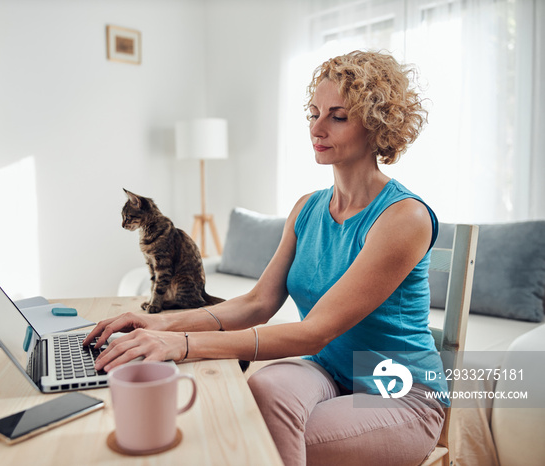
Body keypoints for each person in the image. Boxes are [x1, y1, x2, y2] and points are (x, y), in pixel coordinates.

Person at [84, 50, 447, 465]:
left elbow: (315, 331)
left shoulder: (404, 217)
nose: (317, 127)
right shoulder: (307, 208)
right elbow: (258, 303)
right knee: (262, 391)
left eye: (338, 116)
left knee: (245, 433)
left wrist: (180, 345)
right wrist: (156, 322)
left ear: (377, 125)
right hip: (328, 371)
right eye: (313, 113)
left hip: (399, 394)